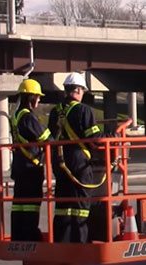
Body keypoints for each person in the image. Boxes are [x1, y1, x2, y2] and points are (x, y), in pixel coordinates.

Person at [49, 72, 107, 243]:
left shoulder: (55, 111)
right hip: (78, 162)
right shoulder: (83, 110)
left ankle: (62, 242)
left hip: (60, 162)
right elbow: (94, 137)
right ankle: (80, 243)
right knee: (80, 206)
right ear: (79, 90)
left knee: (63, 206)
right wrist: (109, 136)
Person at [10, 79, 52, 241]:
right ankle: (30, 235)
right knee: (32, 203)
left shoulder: (16, 115)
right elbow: (46, 139)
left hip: (20, 166)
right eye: (38, 97)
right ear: (31, 97)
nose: (39, 100)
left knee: (20, 203)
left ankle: (19, 235)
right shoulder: (28, 117)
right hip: (31, 168)